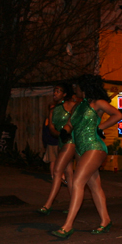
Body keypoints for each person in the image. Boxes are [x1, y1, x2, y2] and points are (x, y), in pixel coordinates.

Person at [51, 74, 122, 239]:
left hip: (94, 147)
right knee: (95, 187)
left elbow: (118, 115)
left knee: (77, 182)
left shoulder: (98, 103)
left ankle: (68, 226)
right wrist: (64, 133)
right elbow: (70, 124)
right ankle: (105, 220)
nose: (75, 89)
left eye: (78, 86)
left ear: (85, 87)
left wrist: (100, 127)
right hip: (80, 148)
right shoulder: (78, 106)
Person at [37, 82, 79, 215]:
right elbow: (51, 128)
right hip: (61, 141)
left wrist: (68, 133)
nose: (55, 93)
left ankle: (48, 204)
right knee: (69, 173)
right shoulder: (53, 109)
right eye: (54, 91)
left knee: (57, 171)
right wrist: (59, 134)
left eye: (58, 91)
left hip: (70, 142)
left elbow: (77, 123)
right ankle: (74, 204)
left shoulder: (71, 106)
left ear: (64, 94)